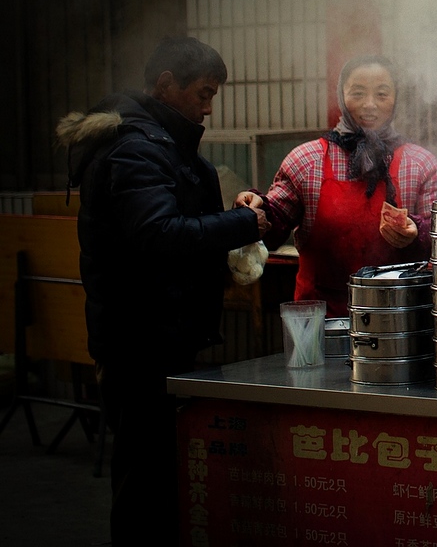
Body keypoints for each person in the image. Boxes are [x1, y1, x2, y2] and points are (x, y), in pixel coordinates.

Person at [56, 36, 270, 547]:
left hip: (158, 334)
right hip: (140, 342)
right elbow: (159, 235)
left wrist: (228, 217)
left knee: (162, 479)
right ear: (166, 85)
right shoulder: (136, 147)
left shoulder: (154, 141)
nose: (208, 108)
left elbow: (174, 221)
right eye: (202, 93)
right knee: (145, 483)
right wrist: (242, 223)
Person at [241, 54, 437, 317]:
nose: (369, 105)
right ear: (341, 96)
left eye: (382, 94)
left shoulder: (420, 164)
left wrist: (416, 231)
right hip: (319, 319)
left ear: (397, 99)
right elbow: (274, 226)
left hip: (399, 321)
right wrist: (256, 211)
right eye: (358, 93)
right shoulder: (306, 160)